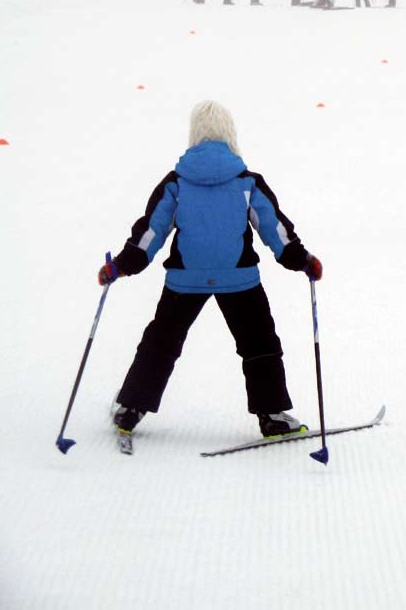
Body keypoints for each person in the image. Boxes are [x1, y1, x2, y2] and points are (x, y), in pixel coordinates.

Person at [99, 100, 323, 440]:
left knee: (161, 342)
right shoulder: (247, 182)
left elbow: (152, 231)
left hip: (186, 278)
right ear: (230, 134)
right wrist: (301, 260)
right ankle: (273, 414)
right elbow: (274, 229)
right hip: (239, 278)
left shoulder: (176, 182)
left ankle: (131, 408)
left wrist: (121, 266)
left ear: (194, 135)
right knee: (259, 343)